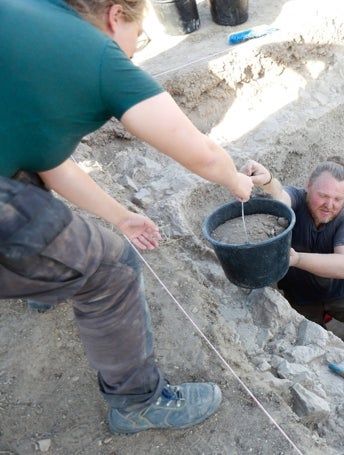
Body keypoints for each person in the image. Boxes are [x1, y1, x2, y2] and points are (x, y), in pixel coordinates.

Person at [1, 0, 255, 435]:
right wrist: (237, 182)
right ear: (116, 15)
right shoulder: (99, 55)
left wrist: (121, 216)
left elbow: (47, 164)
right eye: (140, 35)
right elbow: (203, 154)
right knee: (112, 268)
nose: (135, 50)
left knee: (28, 183)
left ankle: (42, 285)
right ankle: (139, 402)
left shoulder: (27, 12)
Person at [241, 158, 344, 361]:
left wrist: (296, 259)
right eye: (323, 196)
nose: (329, 205)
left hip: (342, 292)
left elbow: (343, 266)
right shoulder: (296, 197)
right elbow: (279, 198)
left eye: (338, 199)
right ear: (308, 187)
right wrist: (268, 181)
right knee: (313, 332)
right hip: (301, 296)